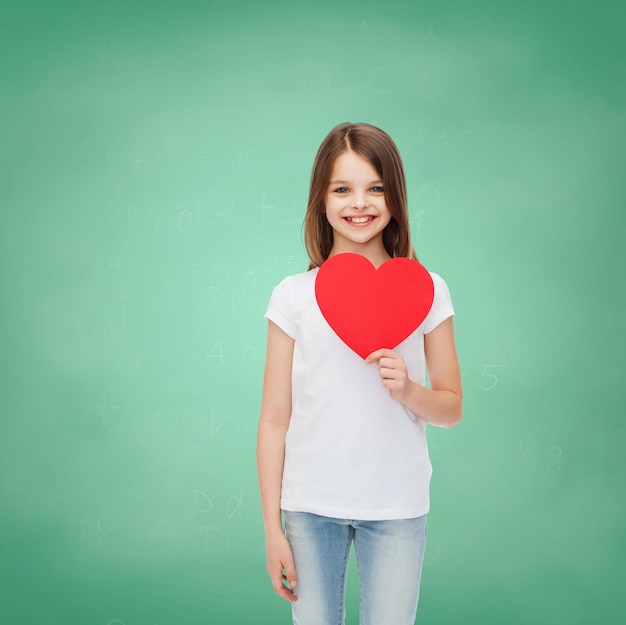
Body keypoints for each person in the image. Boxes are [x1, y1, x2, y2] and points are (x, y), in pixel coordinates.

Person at [256, 122, 462, 625]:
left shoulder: (427, 289)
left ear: (394, 196)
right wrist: (272, 529)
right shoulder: (293, 295)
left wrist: (409, 389)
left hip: (396, 505)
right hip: (309, 505)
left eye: (375, 187)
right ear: (321, 200)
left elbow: (452, 406)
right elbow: (273, 419)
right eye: (342, 189)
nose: (360, 203)